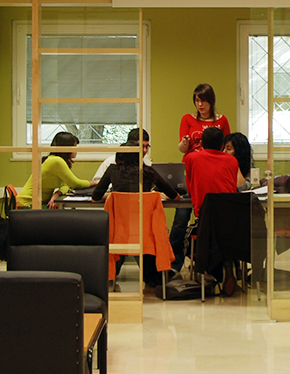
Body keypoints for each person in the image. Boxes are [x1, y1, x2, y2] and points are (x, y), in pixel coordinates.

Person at [93, 136, 179, 288]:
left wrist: (113, 195)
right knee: (144, 235)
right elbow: (174, 195)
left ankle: (111, 276)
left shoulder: (112, 170)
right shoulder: (148, 171)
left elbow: (95, 198)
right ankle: (153, 277)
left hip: (118, 230)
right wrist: (155, 196)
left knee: (119, 234)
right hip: (145, 231)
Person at [170, 83, 232, 274]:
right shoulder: (187, 119)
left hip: (214, 174)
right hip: (192, 173)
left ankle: (215, 264)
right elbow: (181, 149)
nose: (200, 104)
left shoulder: (222, 121)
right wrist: (184, 143)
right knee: (181, 219)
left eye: (203, 100)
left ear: (210, 101)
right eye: (197, 100)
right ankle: (174, 265)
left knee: (214, 219)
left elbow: (228, 147)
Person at [16, 132, 98, 209]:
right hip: (28, 205)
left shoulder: (54, 159)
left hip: (37, 203)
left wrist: (57, 193)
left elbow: (66, 185)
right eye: (74, 146)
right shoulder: (56, 161)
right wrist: (96, 182)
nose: (76, 150)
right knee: (65, 217)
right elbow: (75, 184)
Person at [183, 127, 242, 218]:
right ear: (222, 146)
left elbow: (190, 184)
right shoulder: (232, 160)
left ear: (201, 143)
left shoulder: (191, 158)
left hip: (203, 210)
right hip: (228, 210)